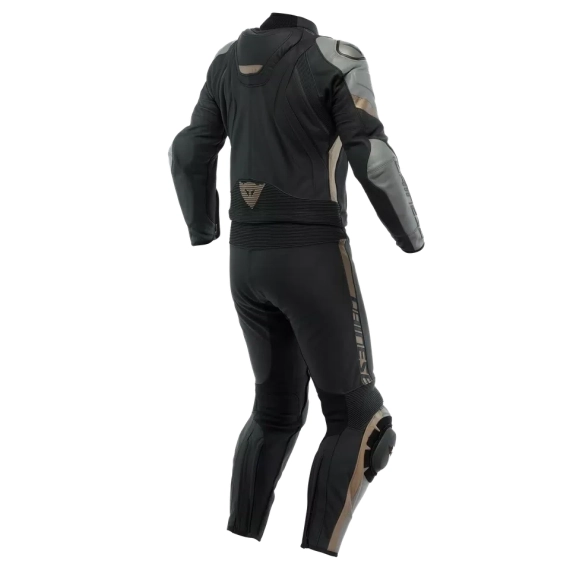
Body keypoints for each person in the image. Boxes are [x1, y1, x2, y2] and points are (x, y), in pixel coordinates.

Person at [168, 12, 424, 557]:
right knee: (359, 417)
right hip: (313, 257)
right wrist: (411, 238)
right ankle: (315, 554)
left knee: (276, 410)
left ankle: (236, 546)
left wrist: (203, 227)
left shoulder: (225, 62)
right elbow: (374, 159)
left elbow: (188, 150)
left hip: (245, 262)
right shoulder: (335, 58)